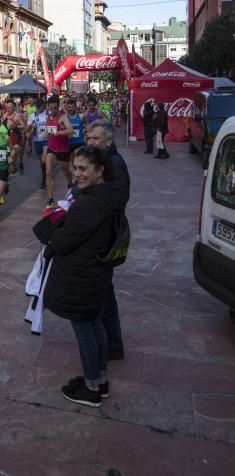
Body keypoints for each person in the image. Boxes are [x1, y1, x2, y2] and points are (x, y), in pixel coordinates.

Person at [43, 146, 121, 407]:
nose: (77, 174)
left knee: (85, 331)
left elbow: (64, 241)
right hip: (95, 274)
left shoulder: (89, 203)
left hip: (83, 277)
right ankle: (98, 379)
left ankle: (91, 389)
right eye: (75, 168)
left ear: (100, 171)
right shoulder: (106, 195)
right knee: (95, 325)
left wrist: (55, 222)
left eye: (83, 168)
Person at [86, 119, 130, 360]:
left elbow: (116, 201)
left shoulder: (114, 164)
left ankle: (109, 345)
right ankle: (112, 343)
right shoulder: (102, 162)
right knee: (105, 292)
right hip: (102, 234)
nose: (90, 142)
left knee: (102, 293)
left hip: (104, 237)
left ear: (109, 141)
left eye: (95, 139)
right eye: (89, 138)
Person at [45, 95, 73, 207]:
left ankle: (71, 183)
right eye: (51, 108)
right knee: (48, 172)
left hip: (63, 149)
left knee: (65, 171)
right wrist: (47, 134)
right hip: (51, 148)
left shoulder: (63, 117)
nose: (53, 111)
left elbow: (70, 129)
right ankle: (50, 199)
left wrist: (58, 132)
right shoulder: (48, 118)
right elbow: (48, 132)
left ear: (58, 107)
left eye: (55, 108)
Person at [26, 98, 49, 189]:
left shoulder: (49, 113)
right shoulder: (33, 116)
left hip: (47, 140)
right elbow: (26, 130)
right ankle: (45, 176)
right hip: (37, 141)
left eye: (39, 106)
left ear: (44, 105)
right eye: (36, 106)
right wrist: (32, 126)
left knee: (44, 160)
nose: (38, 108)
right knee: (42, 162)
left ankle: (46, 177)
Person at [4, 99, 26, 174]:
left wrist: (15, 126)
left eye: (10, 107)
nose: (8, 109)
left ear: (13, 108)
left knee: (18, 152)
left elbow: (23, 125)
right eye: (7, 107)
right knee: (12, 153)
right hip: (9, 137)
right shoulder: (5, 115)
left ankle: (21, 162)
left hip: (17, 136)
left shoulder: (17, 115)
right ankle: (12, 166)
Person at [65, 98, 86, 162]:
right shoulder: (65, 117)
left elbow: (87, 124)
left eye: (72, 107)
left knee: (78, 160)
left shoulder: (81, 116)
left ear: (76, 107)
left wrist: (86, 133)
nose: (71, 109)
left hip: (80, 142)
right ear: (67, 108)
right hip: (69, 142)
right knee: (73, 162)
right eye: (69, 107)